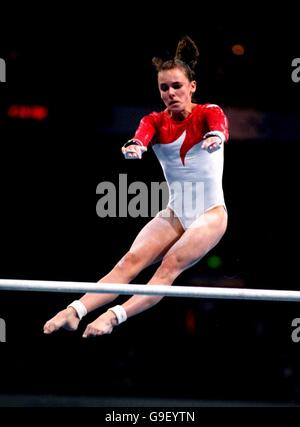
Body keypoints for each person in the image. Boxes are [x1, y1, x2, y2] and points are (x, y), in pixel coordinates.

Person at [43, 35, 229, 338]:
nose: (170, 93)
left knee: (168, 267)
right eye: (164, 88)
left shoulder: (209, 112)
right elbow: (140, 136)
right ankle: (73, 310)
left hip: (210, 214)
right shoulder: (155, 121)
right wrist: (135, 147)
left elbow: (220, 126)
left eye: (177, 86)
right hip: (176, 212)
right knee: (129, 262)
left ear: (192, 86)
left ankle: (114, 317)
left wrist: (216, 138)